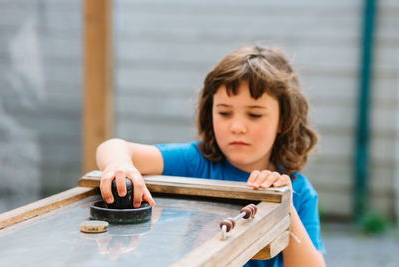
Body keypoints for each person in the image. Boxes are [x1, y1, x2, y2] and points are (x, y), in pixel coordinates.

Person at [96, 45, 326, 267]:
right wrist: (119, 164)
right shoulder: (197, 161)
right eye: (224, 112)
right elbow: (115, 146)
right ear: (210, 112)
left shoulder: (299, 191)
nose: (237, 126)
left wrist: (284, 204)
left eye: (254, 114)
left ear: (283, 121)